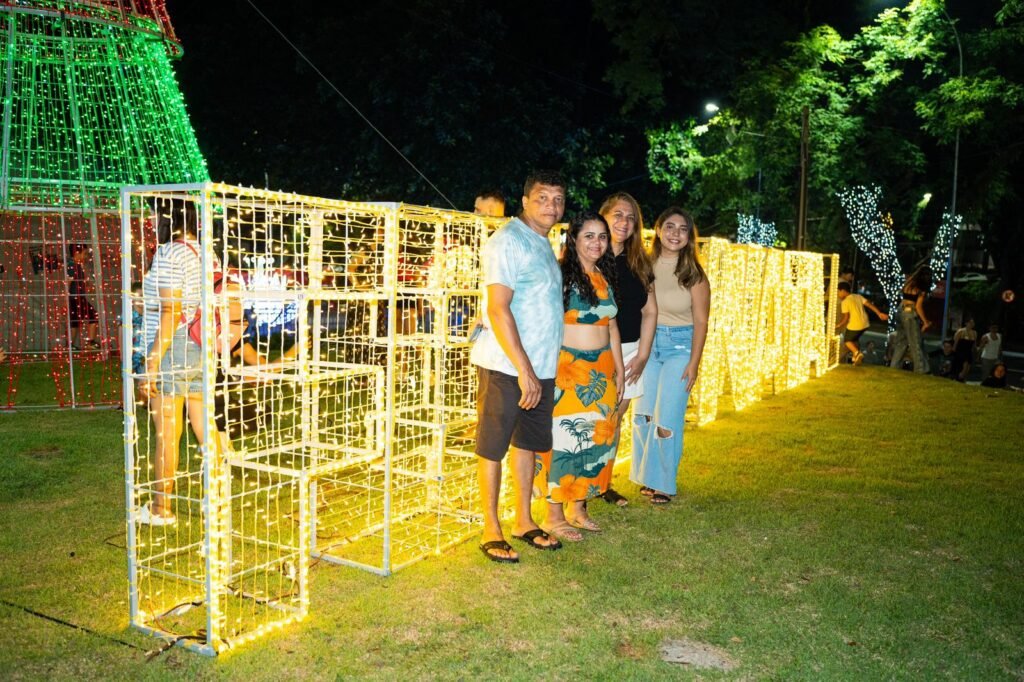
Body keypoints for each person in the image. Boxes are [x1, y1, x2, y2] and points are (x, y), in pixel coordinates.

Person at [470, 170, 566, 563]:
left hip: (539, 365)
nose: (551, 206)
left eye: (558, 199)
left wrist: (537, 369)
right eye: (542, 198)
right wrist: (523, 368)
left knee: (527, 444)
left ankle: (523, 520)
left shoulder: (543, 242)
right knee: (493, 446)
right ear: (524, 201)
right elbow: (497, 307)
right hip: (505, 365)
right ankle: (490, 527)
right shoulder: (507, 240)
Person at [534, 212, 624, 540]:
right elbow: (543, 320)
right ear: (574, 239)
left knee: (595, 439)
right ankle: (553, 516)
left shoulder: (603, 275)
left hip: (601, 371)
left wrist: (620, 370)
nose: (597, 242)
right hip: (568, 371)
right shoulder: (560, 275)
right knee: (564, 442)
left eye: (602, 236)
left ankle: (578, 508)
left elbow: (612, 325)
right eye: (589, 236)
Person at [138, 199, 220, 526]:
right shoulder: (204, 252)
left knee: (167, 434)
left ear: (165, 217)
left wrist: (153, 361)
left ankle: (161, 509)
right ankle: (214, 500)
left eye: (154, 213)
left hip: (175, 346)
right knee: (204, 428)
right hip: (199, 346)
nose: (150, 219)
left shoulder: (170, 252)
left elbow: (172, 310)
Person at [630, 208, 710, 505]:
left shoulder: (694, 275)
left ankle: (663, 483)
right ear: (659, 229)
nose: (676, 233)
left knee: (667, 418)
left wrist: (694, 363)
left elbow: (701, 321)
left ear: (689, 236)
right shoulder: (643, 265)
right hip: (647, 345)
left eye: (683, 229)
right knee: (643, 415)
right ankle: (645, 477)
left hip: (680, 348)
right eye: (670, 226)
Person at [599, 192, 656, 506]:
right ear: (604, 215)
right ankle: (580, 485)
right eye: (618, 215)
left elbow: (650, 311)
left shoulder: (639, 262)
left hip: (632, 349)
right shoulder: (590, 253)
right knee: (591, 420)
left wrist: (643, 355)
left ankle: (604, 483)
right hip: (595, 350)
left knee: (614, 420)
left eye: (631, 217)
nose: (624, 222)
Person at [888, 265, 931, 373]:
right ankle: (921, 370)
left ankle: (894, 367)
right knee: (915, 342)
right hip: (910, 313)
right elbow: (918, 307)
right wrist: (925, 321)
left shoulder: (909, 282)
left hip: (900, 310)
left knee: (901, 342)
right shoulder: (921, 289)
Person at [836, 282, 888, 365]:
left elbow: (846, 318)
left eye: (838, 292)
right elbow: (869, 305)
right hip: (865, 324)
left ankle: (857, 353)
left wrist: (838, 325)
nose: (838, 294)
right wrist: (879, 313)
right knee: (854, 339)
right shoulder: (858, 296)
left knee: (847, 341)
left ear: (843, 291)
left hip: (855, 325)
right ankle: (856, 358)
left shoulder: (845, 302)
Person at [67, 243, 100, 350]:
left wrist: (86, 284)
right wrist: (66, 298)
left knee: (75, 321)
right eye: (84, 254)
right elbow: (68, 282)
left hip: (77, 297)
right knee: (93, 316)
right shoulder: (72, 265)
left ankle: (70, 345)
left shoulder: (77, 265)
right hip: (76, 298)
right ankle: (90, 342)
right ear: (77, 253)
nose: (86, 257)